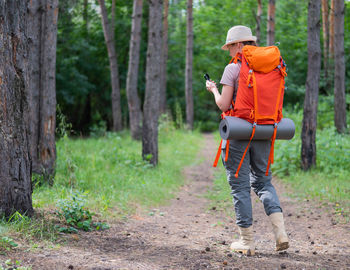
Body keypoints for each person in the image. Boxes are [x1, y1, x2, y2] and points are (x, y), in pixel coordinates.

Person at [206, 25, 289, 255]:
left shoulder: (232, 69)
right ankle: (280, 233)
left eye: (230, 46)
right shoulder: (273, 65)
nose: (229, 51)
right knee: (264, 183)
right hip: (265, 130)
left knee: (240, 186)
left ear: (239, 44)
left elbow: (223, 105)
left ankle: (247, 241)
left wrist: (213, 90)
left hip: (239, 133)